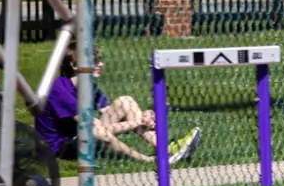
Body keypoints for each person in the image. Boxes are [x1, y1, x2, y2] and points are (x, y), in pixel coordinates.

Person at [34, 49, 198, 166]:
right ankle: (149, 160)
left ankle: (165, 148)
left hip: (83, 133)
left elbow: (109, 113)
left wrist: (145, 116)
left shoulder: (89, 86)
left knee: (125, 101)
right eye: (94, 60)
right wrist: (137, 122)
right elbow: (93, 129)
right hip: (60, 147)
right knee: (98, 132)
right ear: (74, 66)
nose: (100, 64)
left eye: (99, 59)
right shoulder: (60, 90)